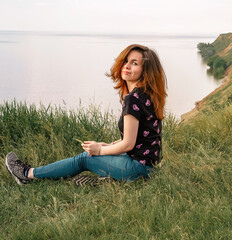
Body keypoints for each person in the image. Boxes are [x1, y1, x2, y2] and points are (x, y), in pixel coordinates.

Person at [5, 44, 167, 185]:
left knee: (85, 158)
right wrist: (109, 146)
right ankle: (111, 179)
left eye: (134, 63)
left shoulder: (133, 99)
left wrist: (99, 150)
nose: (126, 66)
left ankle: (27, 174)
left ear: (145, 70)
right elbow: (139, 138)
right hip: (150, 167)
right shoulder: (147, 95)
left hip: (138, 170)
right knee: (103, 151)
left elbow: (128, 145)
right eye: (125, 61)